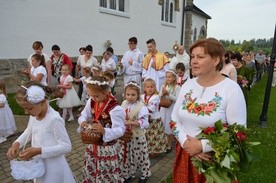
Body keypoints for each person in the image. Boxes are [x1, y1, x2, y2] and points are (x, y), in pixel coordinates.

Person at [170, 38, 246, 183]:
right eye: (192, 57)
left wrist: (202, 146)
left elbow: (239, 133)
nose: (193, 61)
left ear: (216, 60)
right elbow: (174, 118)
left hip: (213, 162)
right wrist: (186, 143)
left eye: (200, 57)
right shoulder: (188, 85)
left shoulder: (231, 89)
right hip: (185, 155)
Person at [6, 81, 75, 183]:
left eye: (29, 108)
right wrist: (17, 143)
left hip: (53, 167)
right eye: (24, 109)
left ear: (42, 102)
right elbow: (29, 130)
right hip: (39, 164)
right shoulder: (34, 114)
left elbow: (66, 146)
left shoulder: (54, 119)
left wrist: (38, 151)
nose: (26, 112)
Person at [78, 76, 125, 182]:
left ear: (106, 92)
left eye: (96, 96)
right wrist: (83, 122)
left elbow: (120, 130)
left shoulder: (115, 108)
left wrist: (104, 131)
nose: (94, 98)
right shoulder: (92, 101)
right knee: (93, 168)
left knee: (105, 172)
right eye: (91, 95)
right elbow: (83, 115)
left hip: (106, 147)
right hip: (94, 141)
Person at [118, 81, 151, 183]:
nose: (130, 97)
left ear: (138, 95)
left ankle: (145, 174)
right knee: (126, 155)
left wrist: (131, 122)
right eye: (128, 94)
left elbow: (145, 122)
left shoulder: (141, 106)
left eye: (133, 95)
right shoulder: (123, 104)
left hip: (137, 136)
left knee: (141, 155)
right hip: (125, 136)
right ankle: (127, 173)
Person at [141, 78, 167, 157]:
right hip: (145, 119)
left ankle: (155, 151)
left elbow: (152, 109)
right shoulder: (141, 96)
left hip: (154, 119)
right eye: (148, 87)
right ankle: (147, 149)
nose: (150, 88)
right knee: (147, 135)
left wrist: (142, 107)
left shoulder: (156, 97)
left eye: (152, 87)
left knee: (154, 136)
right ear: (144, 88)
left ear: (155, 88)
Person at [159, 70, 181, 153]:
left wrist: (168, 94)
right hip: (164, 109)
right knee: (163, 124)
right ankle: (163, 142)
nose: (167, 79)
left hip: (171, 109)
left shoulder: (177, 87)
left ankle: (169, 144)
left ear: (174, 78)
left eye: (169, 77)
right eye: (166, 77)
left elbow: (177, 99)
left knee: (169, 126)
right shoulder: (164, 86)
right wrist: (163, 92)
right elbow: (159, 96)